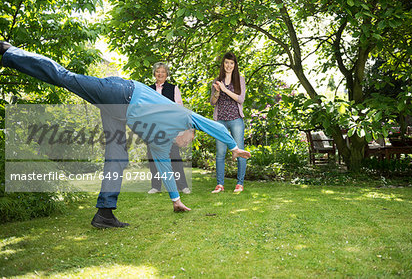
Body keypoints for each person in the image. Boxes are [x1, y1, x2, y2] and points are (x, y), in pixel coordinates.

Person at [0, 42, 251, 228]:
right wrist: (233, 147)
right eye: (189, 140)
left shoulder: (161, 143)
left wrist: (175, 200)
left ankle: (104, 214)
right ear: (187, 133)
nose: (186, 145)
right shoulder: (182, 116)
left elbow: (165, 169)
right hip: (120, 93)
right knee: (66, 78)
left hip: (118, 112)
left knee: (118, 155)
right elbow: (215, 126)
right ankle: (9, 53)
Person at [146, 62, 190, 195]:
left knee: (175, 157)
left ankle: (182, 186)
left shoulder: (173, 88)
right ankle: (156, 186)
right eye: (158, 71)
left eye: (163, 72)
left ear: (166, 74)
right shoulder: (148, 89)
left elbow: (179, 110)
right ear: (154, 74)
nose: (160, 74)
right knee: (153, 157)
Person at [210, 52, 247, 193]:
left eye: (232, 63)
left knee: (240, 151)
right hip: (220, 120)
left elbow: (241, 99)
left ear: (235, 65)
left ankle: (240, 183)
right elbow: (212, 102)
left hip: (236, 119)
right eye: (226, 63)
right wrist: (218, 92)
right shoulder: (217, 80)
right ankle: (220, 184)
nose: (229, 66)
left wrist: (226, 89)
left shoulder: (240, 80)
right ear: (223, 64)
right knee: (220, 152)